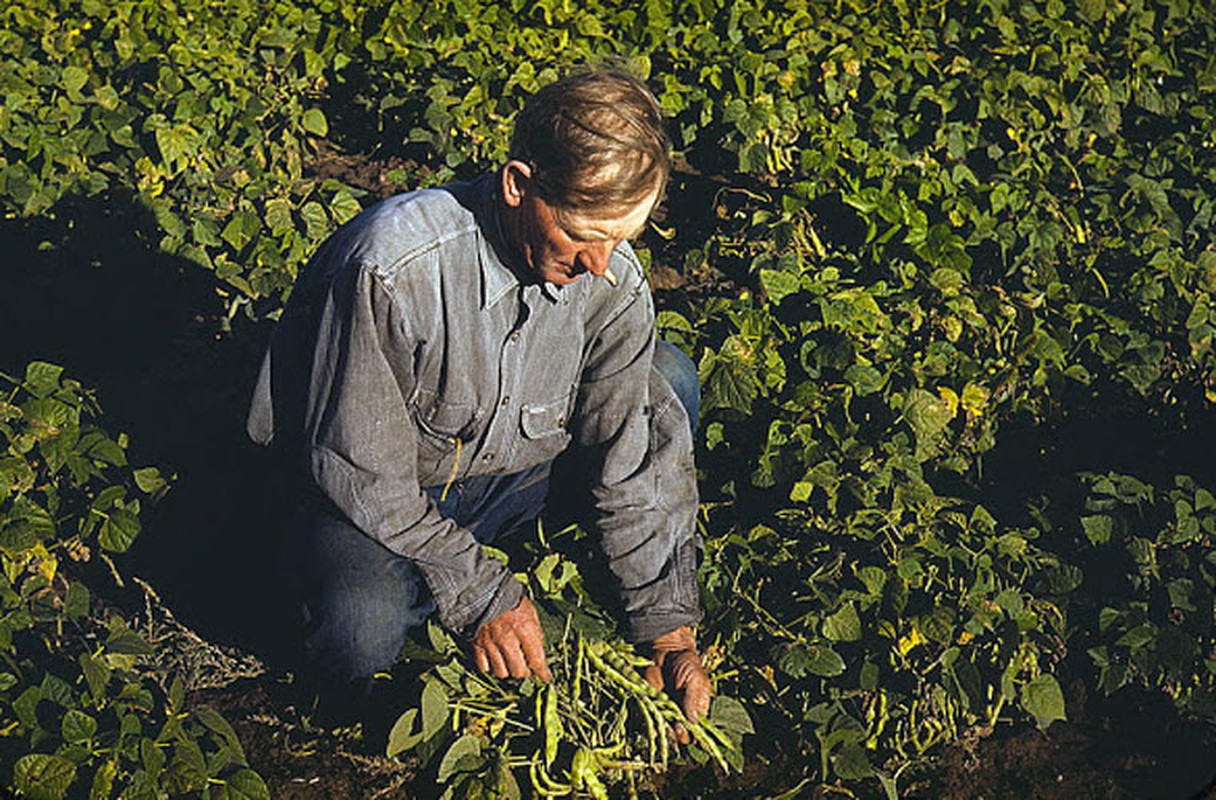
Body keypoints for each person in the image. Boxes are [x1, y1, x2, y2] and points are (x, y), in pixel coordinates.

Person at [246, 69, 711, 730]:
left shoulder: (612, 280)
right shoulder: (391, 269)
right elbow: (362, 478)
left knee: (666, 381)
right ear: (518, 185)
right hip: (368, 492)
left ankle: (499, 587)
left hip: (509, 478)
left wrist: (669, 632)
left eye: (621, 238)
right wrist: (476, 592)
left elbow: (630, 456)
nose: (600, 264)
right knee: (363, 632)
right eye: (584, 234)